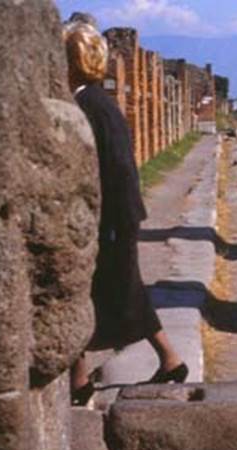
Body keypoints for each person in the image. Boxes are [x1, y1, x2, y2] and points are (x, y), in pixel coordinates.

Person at [63, 21, 188, 406]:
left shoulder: (90, 105)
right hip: (111, 216)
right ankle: (169, 361)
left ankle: (81, 383)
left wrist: (115, 221)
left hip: (110, 219)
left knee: (77, 294)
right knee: (121, 291)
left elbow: (115, 166)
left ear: (72, 60)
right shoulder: (95, 101)